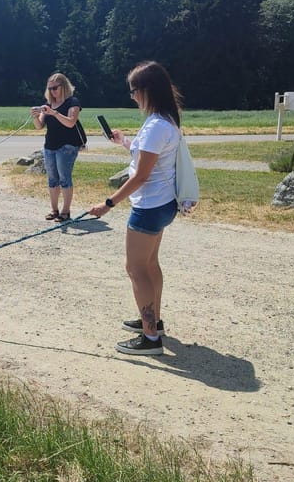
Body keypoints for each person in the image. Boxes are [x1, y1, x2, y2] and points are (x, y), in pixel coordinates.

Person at [89, 60, 183, 356]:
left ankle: (150, 338)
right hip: (163, 204)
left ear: (147, 90)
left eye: (133, 91)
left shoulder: (156, 125)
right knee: (150, 265)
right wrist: (124, 142)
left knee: (135, 268)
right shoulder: (166, 119)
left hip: (149, 207)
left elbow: (142, 175)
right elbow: (148, 157)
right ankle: (152, 320)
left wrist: (108, 204)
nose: (132, 97)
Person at [31, 73, 83, 222]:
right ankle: (54, 210)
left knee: (65, 179)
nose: (52, 91)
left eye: (55, 88)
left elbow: (70, 122)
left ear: (63, 87)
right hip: (49, 146)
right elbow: (39, 126)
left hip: (67, 146)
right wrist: (36, 115)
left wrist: (54, 113)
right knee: (52, 179)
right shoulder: (47, 105)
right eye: (50, 88)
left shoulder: (73, 102)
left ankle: (65, 212)